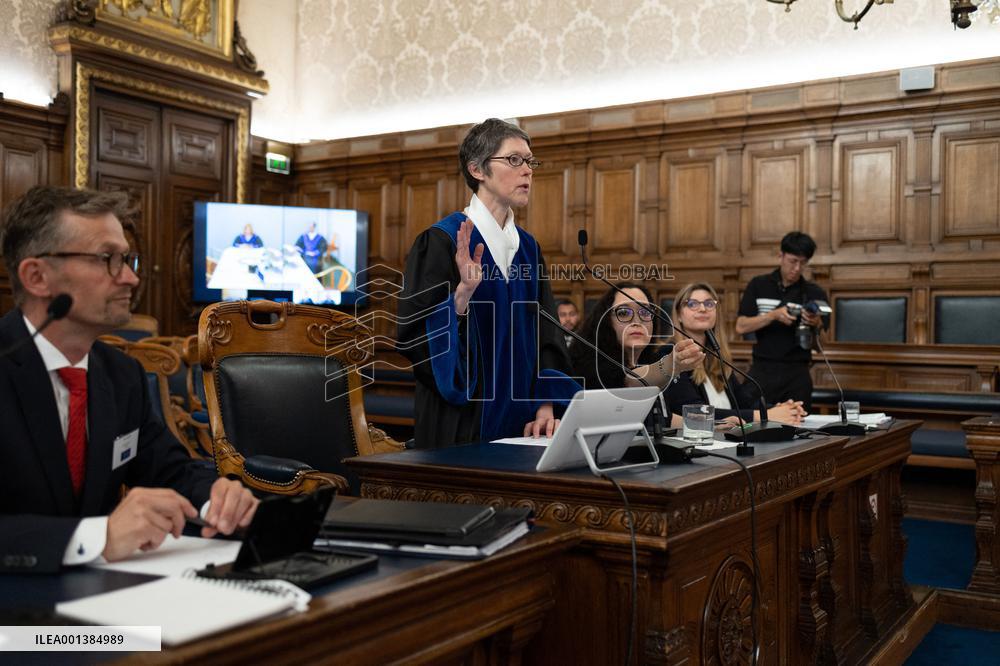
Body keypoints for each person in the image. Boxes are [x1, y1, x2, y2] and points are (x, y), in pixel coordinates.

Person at [0, 186, 257, 573]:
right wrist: (98, 536)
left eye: (127, 259)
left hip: (101, 601)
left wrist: (215, 500)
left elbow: (168, 469)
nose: (132, 279)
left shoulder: (122, 375)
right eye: (108, 260)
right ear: (37, 277)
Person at [396, 118, 578, 448]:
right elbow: (414, 338)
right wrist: (462, 296)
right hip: (462, 423)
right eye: (514, 160)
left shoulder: (528, 249)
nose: (528, 171)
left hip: (526, 427)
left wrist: (546, 405)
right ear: (478, 169)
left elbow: (548, 335)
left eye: (530, 161)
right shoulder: (442, 241)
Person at [666, 282, 806, 425]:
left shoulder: (715, 354)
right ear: (679, 315)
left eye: (709, 304)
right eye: (692, 304)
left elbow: (744, 402)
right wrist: (766, 415)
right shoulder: (671, 355)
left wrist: (783, 409)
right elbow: (694, 412)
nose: (702, 309)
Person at [570, 283, 704, 428]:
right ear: (606, 321)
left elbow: (663, 418)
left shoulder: (650, 359)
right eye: (623, 313)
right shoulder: (592, 364)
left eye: (645, 312)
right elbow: (629, 382)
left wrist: (711, 425)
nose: (637, 321)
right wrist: (671, 364)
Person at [735, 231, 829, 411]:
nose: (797, 268)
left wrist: (816, 324)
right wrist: (773, 315)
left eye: (803, 263)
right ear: (781, 256)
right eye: (793, 261)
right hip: (762, 368)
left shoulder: (814, 293)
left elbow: (822, 346)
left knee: (799, 428)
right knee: (754, 423)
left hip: (797, 372)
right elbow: (741, 326)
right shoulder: (758, 285)